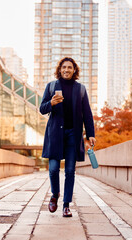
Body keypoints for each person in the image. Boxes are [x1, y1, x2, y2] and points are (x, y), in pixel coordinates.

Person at [40, 57, 96, 217]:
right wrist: (51, 103)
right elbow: (42, 109)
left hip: (73, 134)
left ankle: (66, 205)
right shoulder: (51, 86)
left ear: (74, 70)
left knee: (70, 171)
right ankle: (55, 195)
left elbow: (87, 114)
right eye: (64, 67)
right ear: (60, 69)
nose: (66, 70)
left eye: (70, 67)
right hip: (55, 134)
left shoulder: (81, 89)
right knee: (53, 169)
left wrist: (91, 134)